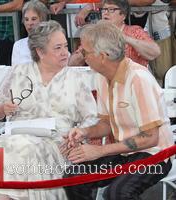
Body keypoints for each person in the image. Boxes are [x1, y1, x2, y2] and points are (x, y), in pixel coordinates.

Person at [0, 20, 97, 200]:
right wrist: (2, 108)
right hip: (16, 136)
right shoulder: (19, 71)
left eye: (65, 46)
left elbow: (91, 118)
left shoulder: (75, 77)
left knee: (19, 148)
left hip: (58, 143)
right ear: (40, 52)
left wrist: (78, 135)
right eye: (57, 48)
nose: (65, 52)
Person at [63, 21, 174, 200]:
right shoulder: (102, 76)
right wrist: (84, 132)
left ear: (103, 56)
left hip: (156, 154)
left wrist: (100, 150)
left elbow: (151, 138)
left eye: (84, 51)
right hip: (124, 152)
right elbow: (107, 123)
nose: (81, 55)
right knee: (74, 178)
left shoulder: (139, 78)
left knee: (118, 193)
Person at [69, 0, 160, 67]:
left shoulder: (134, 31)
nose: (105, 13)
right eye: (104, 9)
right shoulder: (95, 34)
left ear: (123, 15)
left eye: (111, 9)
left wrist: (125, 38)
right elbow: (72, 64)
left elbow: (155, 52)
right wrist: (88, 45)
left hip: (131, 83)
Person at [11, 0, 49, 66]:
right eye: (26, 19)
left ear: (43, 20)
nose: (29, 23)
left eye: (34, 19)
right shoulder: (18, 45)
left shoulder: (53, 42)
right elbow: (15, 72)